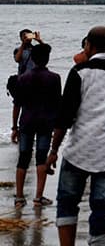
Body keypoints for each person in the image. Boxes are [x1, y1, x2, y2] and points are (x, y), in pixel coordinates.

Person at [46, 26, 105, 246]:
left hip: (78, 150)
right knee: (102, 208)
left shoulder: (80, 72)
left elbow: (65, 117)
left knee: (67, 203)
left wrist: (53, 151)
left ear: (89, 45)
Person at [11, 43, 61, 208]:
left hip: (26, 120)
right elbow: (57, 104)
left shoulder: (22, 78)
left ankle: (19, 197)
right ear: (47, 59)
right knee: (41, 158)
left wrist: (14, 127)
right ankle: (38, 198)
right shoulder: (54, 78)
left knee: (23, 159)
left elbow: (17, 104)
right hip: (45, 122)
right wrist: (57, 126)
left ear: (31, 58)